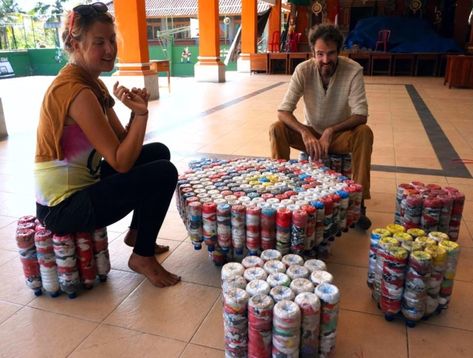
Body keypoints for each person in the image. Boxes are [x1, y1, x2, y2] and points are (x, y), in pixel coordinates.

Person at [34, 2, 181, 287]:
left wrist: (135, 112)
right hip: (62, 208)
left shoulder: (93, 83)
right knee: (163, 172)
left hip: (83, 186)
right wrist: (141, 115)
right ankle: (142, 256)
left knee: (158, 153)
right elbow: (120, 160)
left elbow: (122, 144)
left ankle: (138, 233)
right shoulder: (77, 91)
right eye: (99, 42)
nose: (110, 49)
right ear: (76, 44)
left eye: (112, 40)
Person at [269, 24, 373, 230]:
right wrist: (305, 132)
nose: (326, 60)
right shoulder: (303, 70)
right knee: (277, 128)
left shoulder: (353, 70)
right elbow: (283, 111)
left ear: (340, 52)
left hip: (339, 136)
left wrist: (330, 131)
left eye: (331, 53)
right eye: (320, 54)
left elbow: (361, 115)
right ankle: (280, 193)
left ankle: (358, 203)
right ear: (312, 53)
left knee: (364, 133)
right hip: (312, 137)